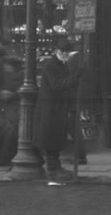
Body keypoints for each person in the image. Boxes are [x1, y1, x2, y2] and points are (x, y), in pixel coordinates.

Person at [32, 35, 81, 180]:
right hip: (50, 109)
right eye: (63, 51)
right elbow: (57, 85)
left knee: (54, 139)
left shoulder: (62, 64)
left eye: (67, 51)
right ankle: (53, 168)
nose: (65, 54)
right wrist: (75, 78)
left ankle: (54, 166)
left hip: (56, 109)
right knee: (50, 139)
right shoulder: (51, 65)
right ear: (57, 51)